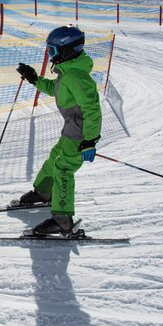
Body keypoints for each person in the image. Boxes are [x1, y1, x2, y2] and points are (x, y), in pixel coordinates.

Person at [15, 26, 102, 236]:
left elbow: (93, 109)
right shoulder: (68, 73)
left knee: (63, 169)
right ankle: (44, 193)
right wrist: (34, 78)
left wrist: (90, 140)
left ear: (67, 51)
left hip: (80, 135)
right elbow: (54, 89)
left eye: (52, 51)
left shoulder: (77, 77)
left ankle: (62, 220)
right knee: (55, 158)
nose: (50, 56)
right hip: (70, 131)